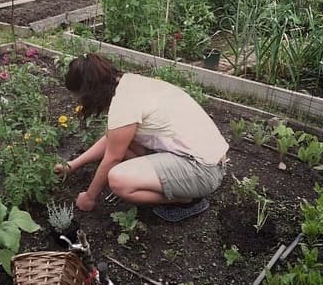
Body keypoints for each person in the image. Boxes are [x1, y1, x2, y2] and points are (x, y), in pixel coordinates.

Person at [55, 53, 228, 222]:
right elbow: (112, 140)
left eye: (78, 97)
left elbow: (112, 158)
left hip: (203, 170)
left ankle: (187, 200)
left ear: (89, 93)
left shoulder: (123, 104)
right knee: (123, 145)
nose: (79, 102)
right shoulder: (130, 83)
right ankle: (182, 188)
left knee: (119, 181)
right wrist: (71, 166)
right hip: (208, 157)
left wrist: (90, 197)